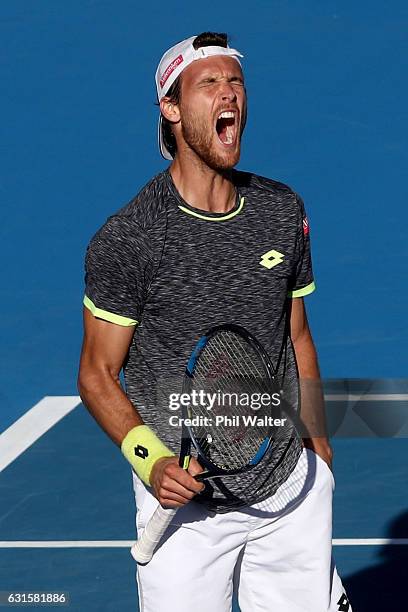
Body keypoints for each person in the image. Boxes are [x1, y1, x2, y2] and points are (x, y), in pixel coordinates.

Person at [78, 32, 352, 612]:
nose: (229, 93)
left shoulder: (282, 211)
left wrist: (318, 445)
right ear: (171, 109)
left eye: (236, 82)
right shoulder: (129, 239)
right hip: (185, 506)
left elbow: (295, 334)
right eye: (209, 84)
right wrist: (151, 464)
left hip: (287, 493)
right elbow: (97, 374)